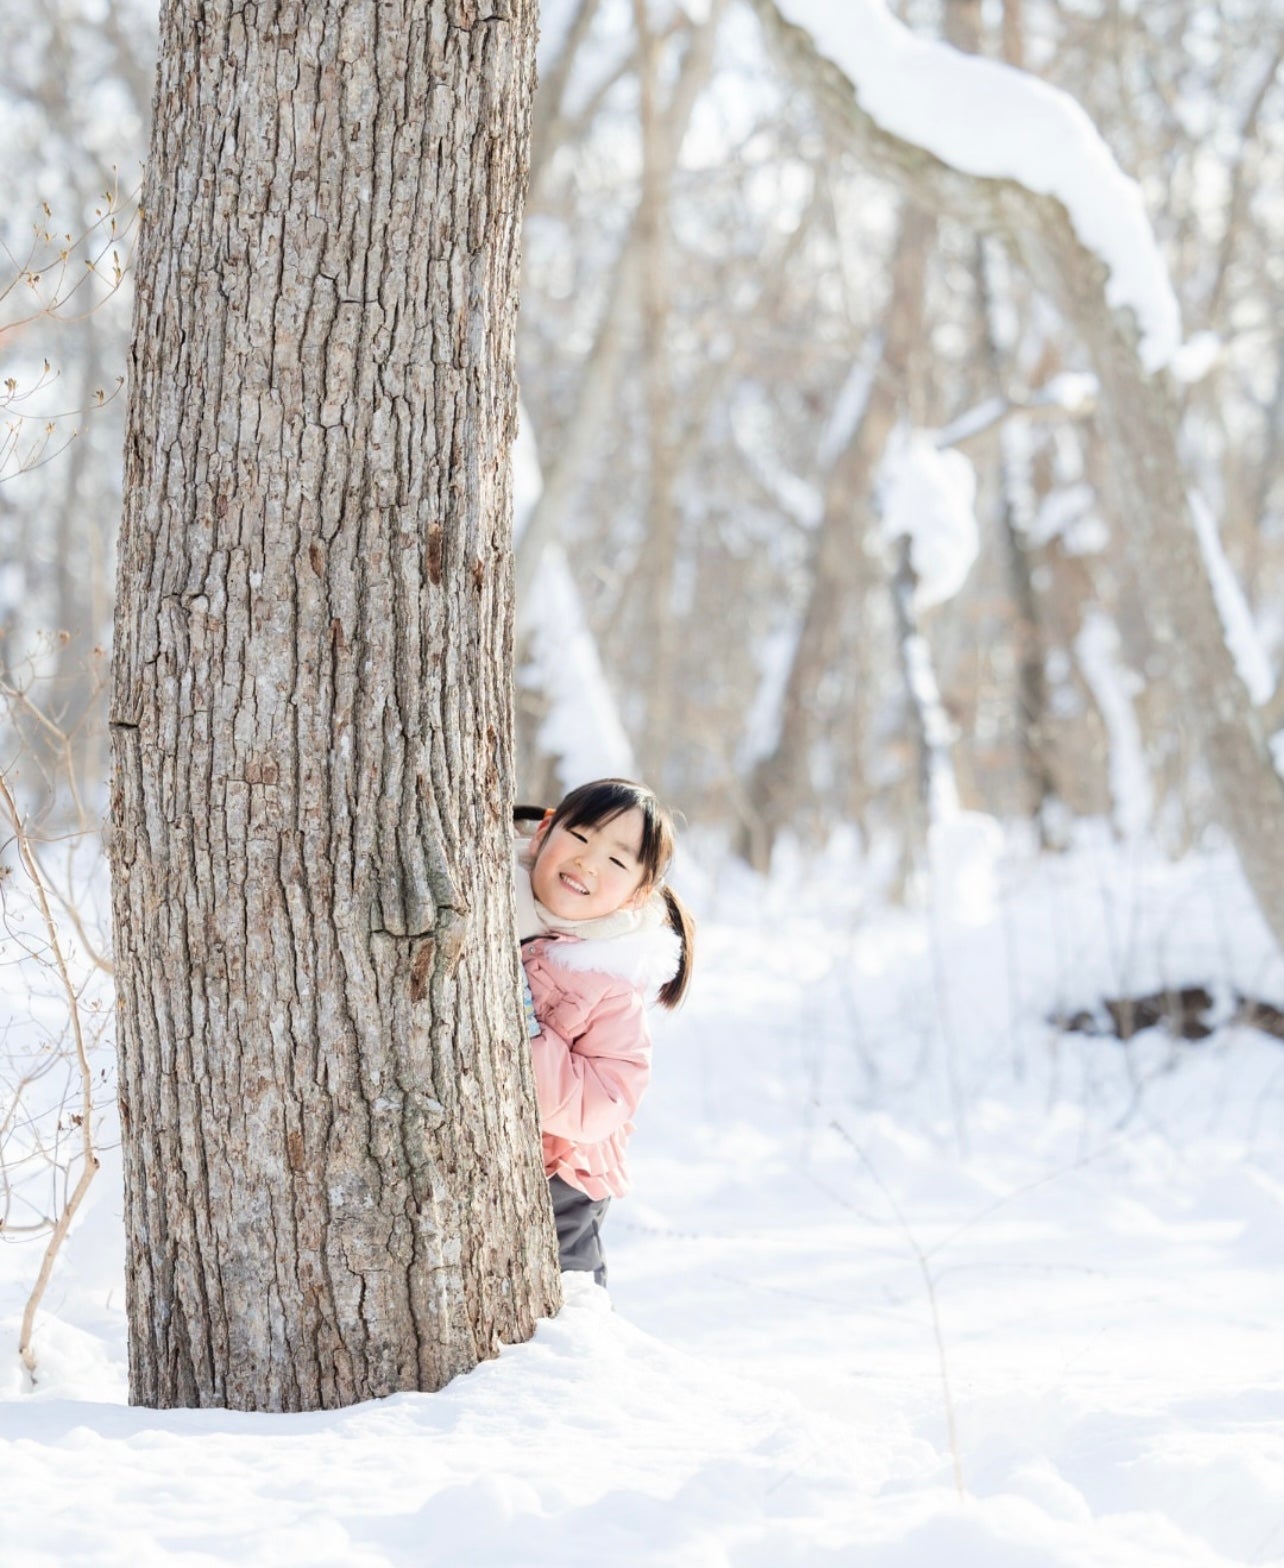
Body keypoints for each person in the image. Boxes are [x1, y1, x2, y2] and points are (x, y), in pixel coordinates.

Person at [514, 777, 695, 1288]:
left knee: (566, 1306)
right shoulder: (495, 902)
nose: (588, 863)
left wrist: (522, 1032)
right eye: (580, 835)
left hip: (560, 1181)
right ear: (544, 832)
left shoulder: (611, 981)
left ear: (637, 893)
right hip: (486, 1161)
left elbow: (605, 1102)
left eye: (616, 861)